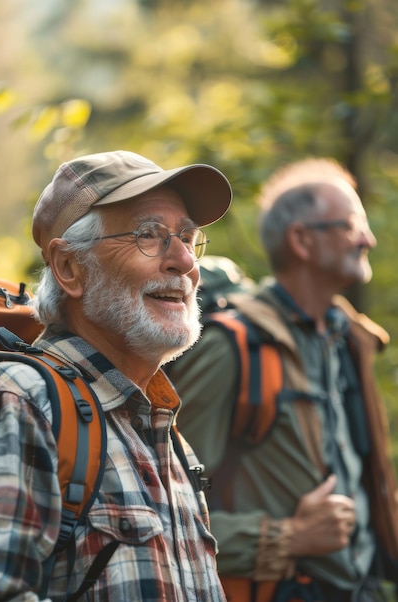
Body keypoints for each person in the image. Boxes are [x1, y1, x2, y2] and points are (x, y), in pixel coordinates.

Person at [0, 150, 233, 602]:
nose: (184, 260)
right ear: (69, 268)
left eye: (187, 236)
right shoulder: (19, 404)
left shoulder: (166, 434)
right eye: (149, 235)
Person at [166, 158, 398, 601]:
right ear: (302, 241)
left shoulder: (348, 339)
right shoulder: (234, 348)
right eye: (352, 226)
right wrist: (287, 537)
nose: (368, 239)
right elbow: (169, 508)